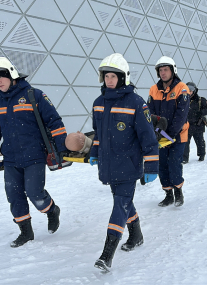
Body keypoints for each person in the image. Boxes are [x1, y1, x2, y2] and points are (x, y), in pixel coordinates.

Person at [0, 57, 67, 248]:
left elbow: (54, 122)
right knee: (14, 195)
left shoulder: (33, 95)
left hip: (34, 155)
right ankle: (25, 233)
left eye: (1, 77)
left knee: (35, 193)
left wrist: (62, 146)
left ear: (12, 75)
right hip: (11, 158)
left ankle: (51, 210)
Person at [89, 53, 159, 272]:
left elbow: (149, 137)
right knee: (124, 202)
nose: (109, 80)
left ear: (123, 77)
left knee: (120, 204)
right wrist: (94, 151)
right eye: (106, 76)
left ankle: (106, 255)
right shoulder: (99, 103)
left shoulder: (137, 104)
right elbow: (98, 133)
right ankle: (136, 234)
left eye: (113, 76)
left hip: (129, 164)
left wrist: (152, 166)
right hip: (108, 164)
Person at [147, 56, 190, 208]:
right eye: (160, 70)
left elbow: (181, 115)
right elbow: (149, 113)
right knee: (162, 165)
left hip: (177, 135)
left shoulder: (182, 88)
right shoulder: (154, 89)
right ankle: (168, 194)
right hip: (160, 136)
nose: (163, 73)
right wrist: (157, 131)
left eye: (166, 70)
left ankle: (178, 192)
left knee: (174, 164)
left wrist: (170, 133)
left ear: (173, 71)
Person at [182, 82, 207, 163]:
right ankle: (184, 158)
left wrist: (201, 112)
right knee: (185, 143)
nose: (189, 92)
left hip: (198, 125)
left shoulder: (201, 100)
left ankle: (201, 155)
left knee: (200, 141)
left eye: (191, 90)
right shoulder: (182, 100)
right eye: (187, 90)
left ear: (194, 91)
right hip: (187, 126)